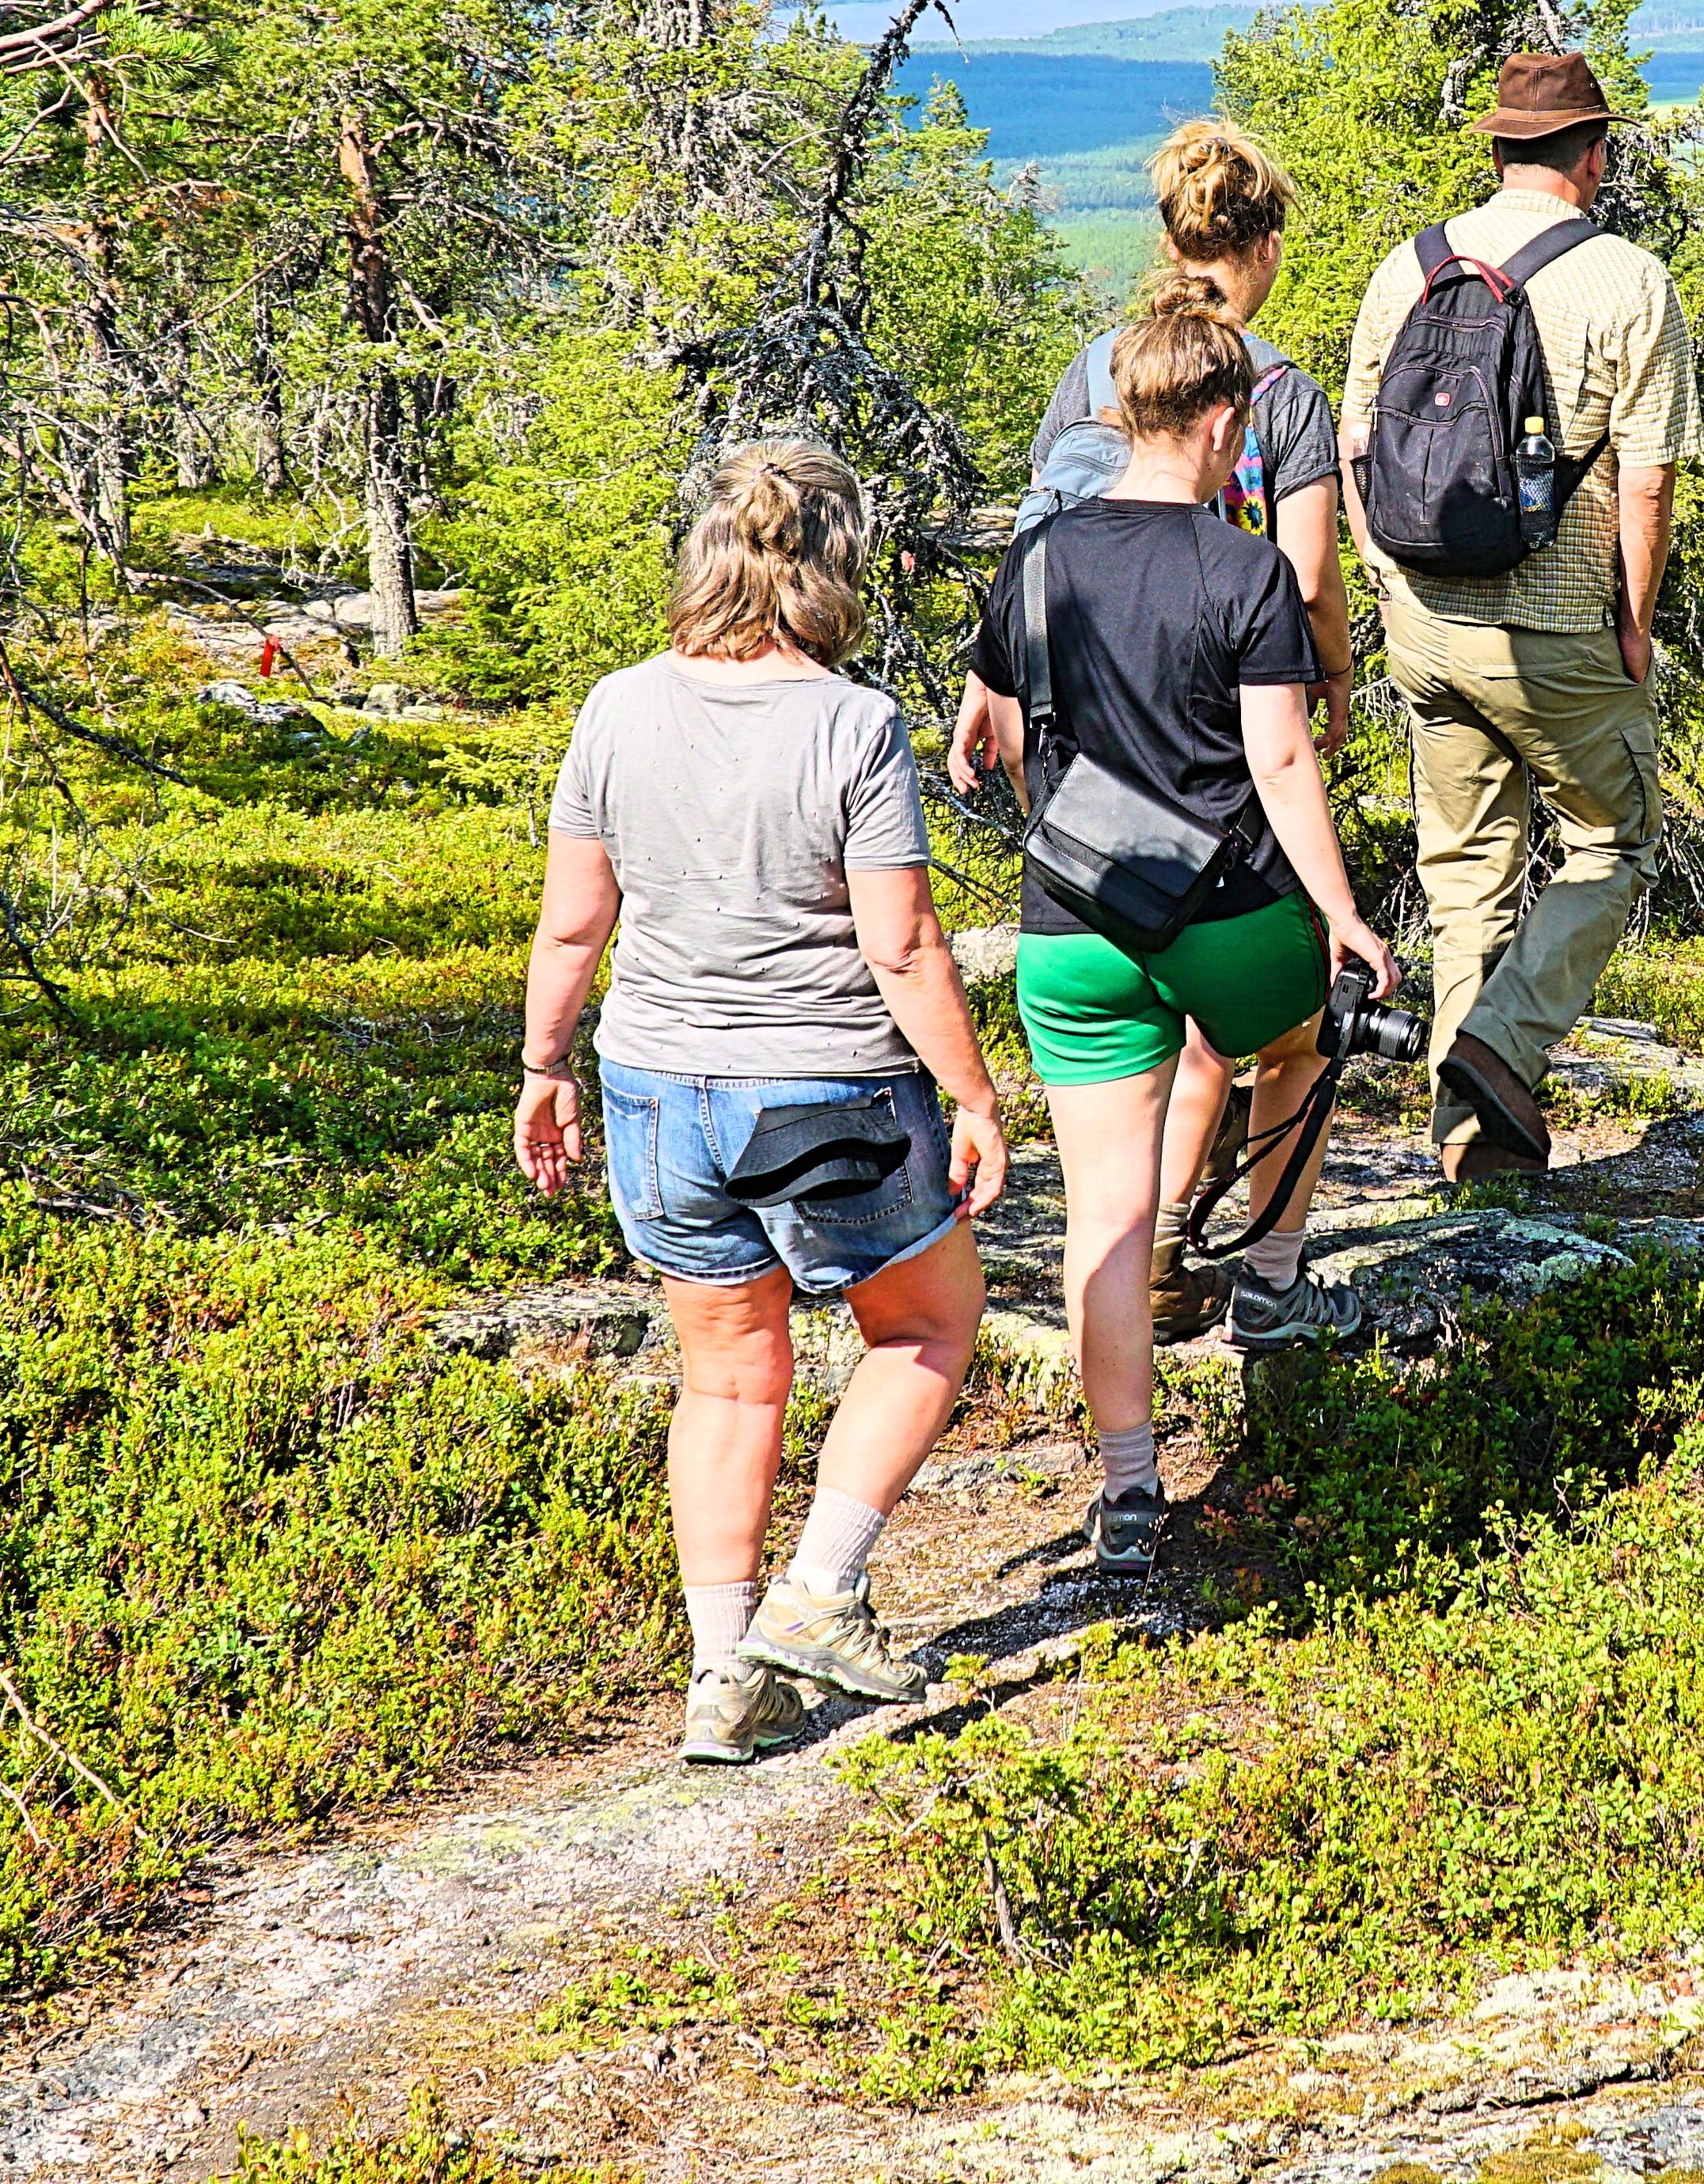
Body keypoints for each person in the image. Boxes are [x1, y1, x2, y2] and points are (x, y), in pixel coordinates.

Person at [513, 441, 1011, 1768]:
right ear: (831, 567)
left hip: (660, 1090)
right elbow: (900, 944)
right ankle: (821, 1594)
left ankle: (720, 1681)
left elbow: (574, 927)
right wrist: (971, 1092)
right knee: (929, 1326)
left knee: (728, 1382)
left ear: (706, 558)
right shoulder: (849, 723)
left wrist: (544, 1068)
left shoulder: (616, 709)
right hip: (826, 1089)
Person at [953, 277, 1400, 1567]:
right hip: (1227, 918)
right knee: (1307, 1038)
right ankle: (1269, 1279)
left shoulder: (1037, 559)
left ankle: (1134, 1494)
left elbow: (985, 720)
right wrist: (1344, 917)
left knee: (1106, 1222)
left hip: (1076, 923)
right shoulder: (1248, 571)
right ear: (1219, 420)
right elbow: (1282, 765)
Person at [1015, 119, 1355, 1333]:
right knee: (1271, 1003)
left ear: (1167, 234)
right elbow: (1310, 572)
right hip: (1233, 706)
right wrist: (1335, 682)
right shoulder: (1280, 388)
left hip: (1094, 741)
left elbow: (1037, 535)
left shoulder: (1099, 367)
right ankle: (1253, 1265)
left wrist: (991, 703)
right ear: (1261, 244)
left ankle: (1145, 1246)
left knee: (1137, 990)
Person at [1336, 49, 1699, 1180]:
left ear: (1498, 150)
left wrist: (1389, 578)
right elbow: (1644, 482)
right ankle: (1500, 1047)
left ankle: (1471, 1139)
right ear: (1594, 155)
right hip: (1555, 624)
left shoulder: (1412, 266)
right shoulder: (1629, 280)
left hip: (1426, 622)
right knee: (1614, 837)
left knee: (1465, 872)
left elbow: (1355, 444)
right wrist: (1634, 620)